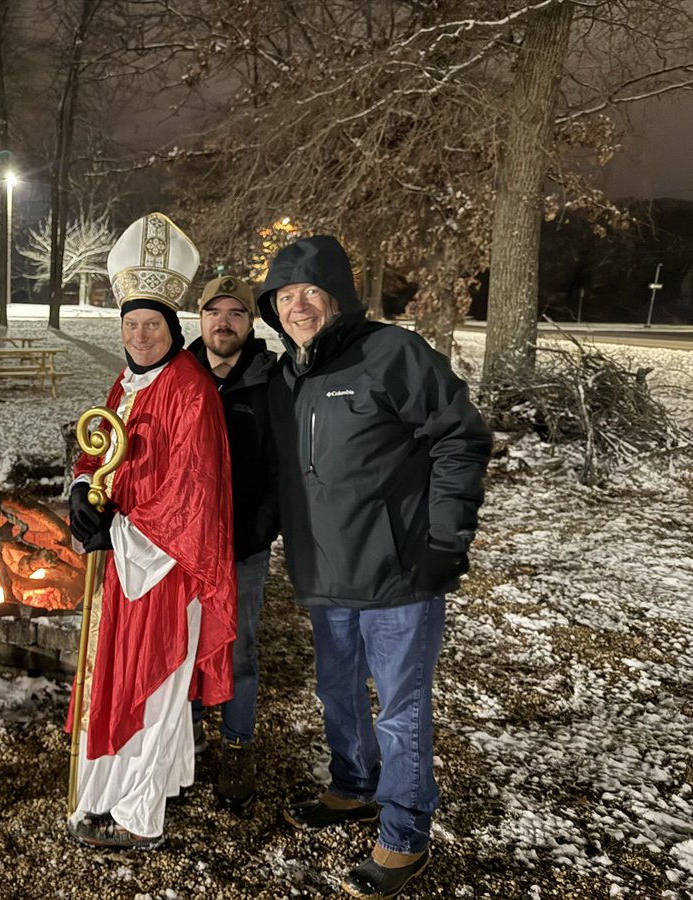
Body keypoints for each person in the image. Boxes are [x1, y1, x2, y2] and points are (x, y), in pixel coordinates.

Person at [257, 236, 491, 898]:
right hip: (326, 574)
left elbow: (461, 437)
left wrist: (446, 537)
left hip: (397, 574)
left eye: (310, 292)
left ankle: (405, 833)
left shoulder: (393, 354)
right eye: (285, 295)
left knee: (400, 709)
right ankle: (353, 786)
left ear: (338, 296)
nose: (297, 305)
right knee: (338, 694)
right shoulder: (287, 377)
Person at [66, 212, 237, 850]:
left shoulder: (191, 390)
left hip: (166, 564)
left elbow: (192, 494)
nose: (140, 335)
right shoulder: (125, 382)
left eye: (152, 325)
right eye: (131, 325)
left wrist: (118, 529)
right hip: (123, 559)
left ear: (173, 327)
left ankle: (139, 818)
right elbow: (97, 451)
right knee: (127, 674)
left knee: (157, 681)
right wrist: (84, 495)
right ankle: (142, 785)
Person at [186, 274, 279, 815]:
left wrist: (258, 530)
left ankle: (238, 745)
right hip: (184, 547)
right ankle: (189, 737)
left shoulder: (271, 383)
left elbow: (280, 471)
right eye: (214, 312)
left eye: (236, 313)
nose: (224, 322)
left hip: (243, 545)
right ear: (199, 320)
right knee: (187, 645)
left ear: (251, 321)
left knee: (238, 647)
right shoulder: (178, 375)